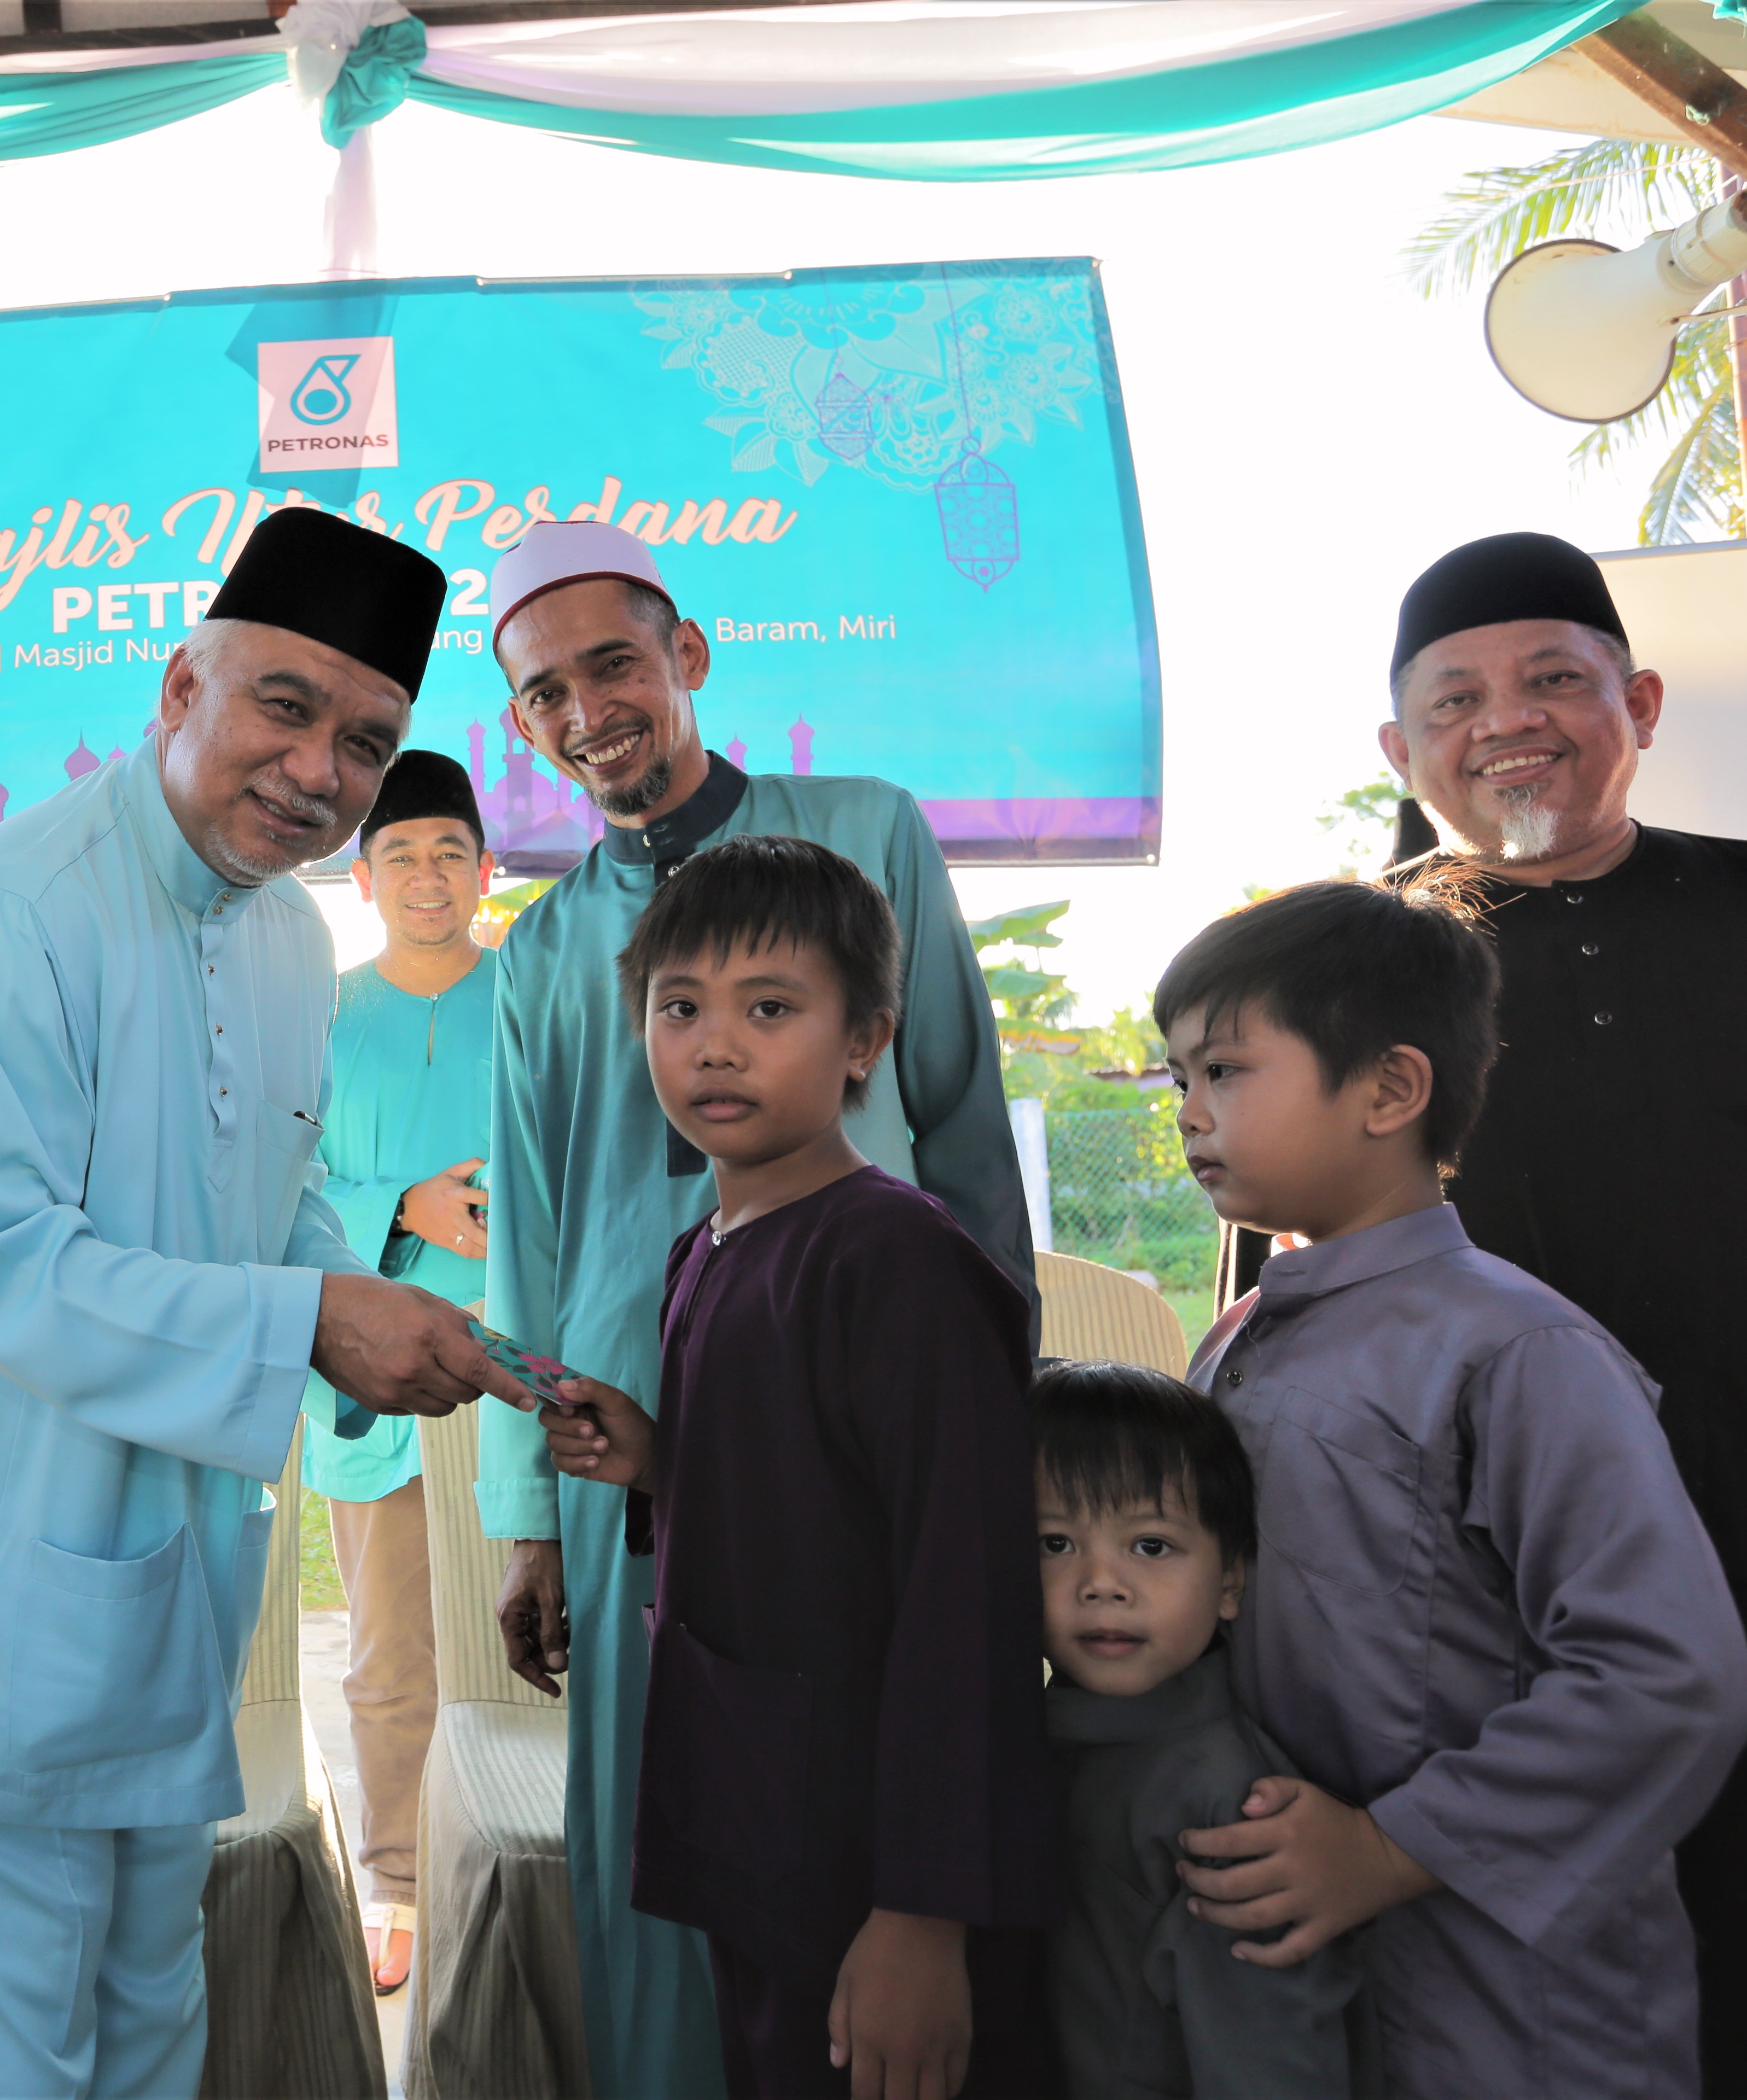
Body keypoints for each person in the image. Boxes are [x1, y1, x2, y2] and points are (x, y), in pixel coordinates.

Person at [0, 506, 528, 2099]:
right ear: (182, 687)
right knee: (4, 2068)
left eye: (365, 742)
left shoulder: (285, 936)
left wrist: (364, 1298)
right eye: (285, 707)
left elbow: (279, 1193)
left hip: (163, 1594)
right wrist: (311, 1325)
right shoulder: (19, 911)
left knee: (148, 2037)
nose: (319, 772)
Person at [477, 518, 1033, 2097]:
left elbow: (962, 1125)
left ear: (690, 657)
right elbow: (530, 1232)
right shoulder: (543, 948)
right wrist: (531, 1514)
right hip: (625, 1435)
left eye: (613, 665)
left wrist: (1003, 1410)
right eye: (545, 693)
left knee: (852, 1754)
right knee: (661, 1807)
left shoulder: (865, 834)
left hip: (861, 1389)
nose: (587, 711)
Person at [1374, 529, 1747, 2096]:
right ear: (1399, 749)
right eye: (1456, 699)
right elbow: (1301, 1286)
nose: (1506, 721)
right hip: (1507, 1605)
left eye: (1552, 680)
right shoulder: (1354, 966)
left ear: (1638, 704)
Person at [1156, 877, 1747, 2097]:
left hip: (1518, 2018)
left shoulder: (1520, 1352)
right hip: (1318, 1998)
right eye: (1178, 1081)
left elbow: (1671, 1677)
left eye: (1224, 1071)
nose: (1189, 1114)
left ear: (1390, 1089)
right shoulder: (1236, 1337)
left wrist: (1387, 1849)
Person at [539, 835, 1054, 2100]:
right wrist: (659, 1464)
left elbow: (967, 1598)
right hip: (757, 1823)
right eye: (681, 1009)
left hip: (869, 1858)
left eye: (769, 1009)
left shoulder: (895, 1262)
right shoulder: (707, 1249)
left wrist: (924, 1914)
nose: (715, 1047)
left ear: (865, 1039)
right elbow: (805, 1505)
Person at [1027, 1359, 1358, 2100]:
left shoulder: (1229, 1810)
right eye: (1055, 1543)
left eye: (1150, 1546)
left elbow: (1275, 2069)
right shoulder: (1046, 1741)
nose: (1101, 1584)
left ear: (1231, 1580)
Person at [301, 747, 496, 1992]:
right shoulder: (317, 1016)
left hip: (526, 1359)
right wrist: (404, 1205)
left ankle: (538, 1853)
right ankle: (402, 1885)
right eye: (401, 856)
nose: (428, 877)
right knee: (391, 1643)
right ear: (363, 880)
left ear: (486, 869)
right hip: (375, 1369)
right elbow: (281, 1182)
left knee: (544, 1619)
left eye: (449, 854)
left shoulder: (540, 997)